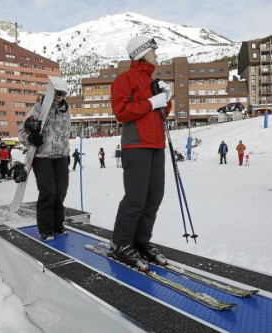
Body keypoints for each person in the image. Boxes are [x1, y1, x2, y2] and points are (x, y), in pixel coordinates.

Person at [110, 35, 172, 271]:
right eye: (153, 51)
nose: (156, 55)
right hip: (136, 145)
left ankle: (140, 241)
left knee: (154, 196)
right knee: (135, 199)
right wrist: (151, 103)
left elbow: (160, 115)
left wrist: (166, 100)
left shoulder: (152, 80)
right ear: (142, 53)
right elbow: (121, 112)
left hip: (157, 145)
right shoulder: (124, 80)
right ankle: (121, 243)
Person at [18, 76, 70, 241]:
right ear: (50, 92)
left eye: (62, 93)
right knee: (48, 192)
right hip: (42, 157)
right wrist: (30, 138)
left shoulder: (66, 110)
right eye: (57, 93)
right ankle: (46, 228)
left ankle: (57, 224)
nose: (60, 97)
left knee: (61, 191)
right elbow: (22, 132)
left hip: (61, 156)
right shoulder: (38, 109)